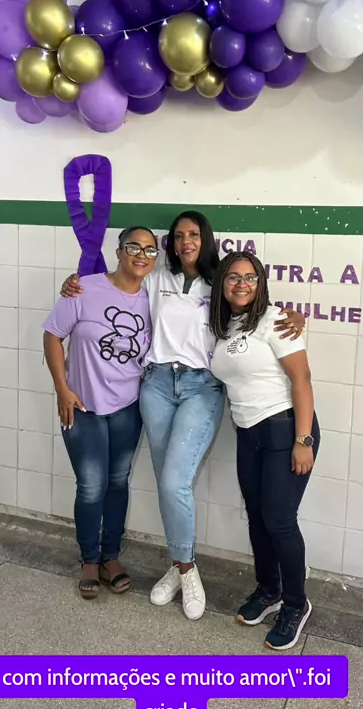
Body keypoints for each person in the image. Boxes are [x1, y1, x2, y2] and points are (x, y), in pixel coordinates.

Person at [60, 211, 306, 620]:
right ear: (170, 243)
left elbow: (257, 305)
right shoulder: (156, 277)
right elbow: (118, 285)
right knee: (166, 484)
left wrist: (294, 316)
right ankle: (176, 566)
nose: (186, 241)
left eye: (193, 234)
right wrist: (76, 284)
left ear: (205, 239)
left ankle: (188, 570)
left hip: (201, 387)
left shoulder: (221, 281)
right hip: (155, 385)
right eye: (178, 236)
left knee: (175, 481)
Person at [210, 250, 320, 650]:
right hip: (248, 434)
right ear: (222, 283)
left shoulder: (275, 321)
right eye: (233, 277)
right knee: (257, 518)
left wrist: (303, 441)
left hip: (285, 429)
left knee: (279, 521)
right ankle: (269, 590)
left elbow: (302, 379)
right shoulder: (223, 325)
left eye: (250, 277)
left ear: (261, 284)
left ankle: (296, 604)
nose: (242, 284)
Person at [43, 226, 158, 600]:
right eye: (134, 247)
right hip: (83, 406)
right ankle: (89, 559)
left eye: (150, 250)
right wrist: (62, 388)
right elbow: (52, 335)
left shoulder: (154, 299)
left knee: (118, 481)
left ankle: (111, 556)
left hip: (128, 408)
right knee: (92, 486)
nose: (141, 255)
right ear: (119, 251)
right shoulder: (84, 288)